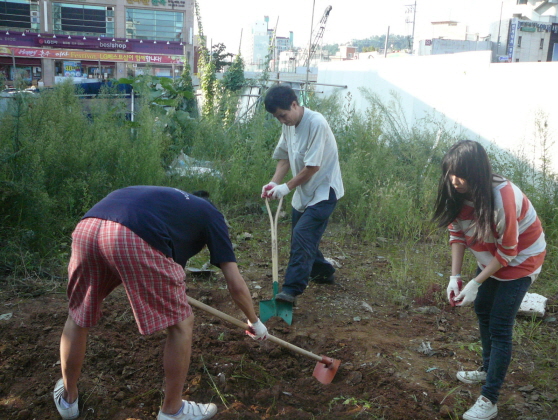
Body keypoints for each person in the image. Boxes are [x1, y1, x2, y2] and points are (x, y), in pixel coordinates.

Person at [53, 186, 268, 420]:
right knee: (181, 323)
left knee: (78, 314)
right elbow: (235, 283)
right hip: (130, 236)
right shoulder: (212, 215)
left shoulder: (167, 203)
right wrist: (254, 321)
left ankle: (68, 399)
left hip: (88, 227)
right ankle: (173, 411)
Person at [433, 140, 546, 420]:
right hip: (493, 257)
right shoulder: (454, 190)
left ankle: (490, 398)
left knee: (499, 324)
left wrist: (476, 282)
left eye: (462, 175)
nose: (455, 181)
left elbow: (509, 252)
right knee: (482, 308)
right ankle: (486, 368)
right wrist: (455, 277)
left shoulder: (501, 197)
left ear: (478, 173)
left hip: (521, 260)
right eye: (450, 173)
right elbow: (457, 234)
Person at [261, 84, 344, 303]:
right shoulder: (288, 124)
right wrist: (273, 183)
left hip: (324, 191)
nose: (282, 120)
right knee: (304, 236)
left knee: (302, 235)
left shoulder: (316, 123)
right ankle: (323, 272)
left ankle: (291, 290)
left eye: (283, 115)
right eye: (277, 118)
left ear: (295, 104)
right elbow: (285, 157)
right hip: (303, 192)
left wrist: (285, 188)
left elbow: (313, 167)